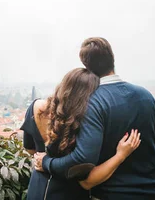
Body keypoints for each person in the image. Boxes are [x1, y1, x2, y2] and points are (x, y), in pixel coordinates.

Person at [34, 37, 155, 200]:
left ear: (86, 66)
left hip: (113, 194)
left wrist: (47, 163)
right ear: (112, 58)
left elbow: (82, 160)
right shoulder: (146, 96)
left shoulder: (93, 102)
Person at [21, 67, 141, 199]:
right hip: (67, 192)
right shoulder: (76, 123)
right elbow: (83, 170)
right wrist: (120, 155)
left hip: (37, 188)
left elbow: (29, 148)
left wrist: (42, 158)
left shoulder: (36, 108)